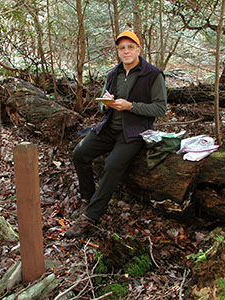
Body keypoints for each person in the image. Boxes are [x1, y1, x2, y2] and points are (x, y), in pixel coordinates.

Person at [65, 30, 167, 238]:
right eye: (122, 48)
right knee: (80, 154)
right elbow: (103, 107)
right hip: (109, 127)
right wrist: (106, 103)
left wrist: (131, 106)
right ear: (118, 52)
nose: (126, 51)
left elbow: (160, 109)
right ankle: (88, 198)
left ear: (139, 49)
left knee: (111, 165)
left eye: (130, 47)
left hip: (134, 133)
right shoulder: (114, 74)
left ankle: (91, 215)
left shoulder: (153, 75)